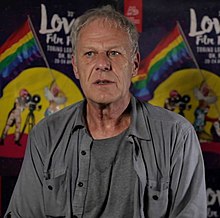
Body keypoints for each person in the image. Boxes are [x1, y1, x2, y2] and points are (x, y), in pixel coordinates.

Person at [5, 5, 207, 218]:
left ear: (135, 64)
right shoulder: (45, 135)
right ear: (75, 66)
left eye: (114, 53)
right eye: (90, 53)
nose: (102, 64)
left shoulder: (177, 135)